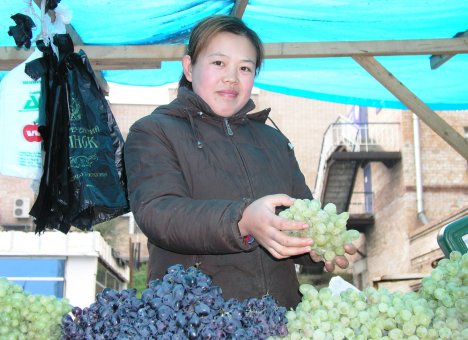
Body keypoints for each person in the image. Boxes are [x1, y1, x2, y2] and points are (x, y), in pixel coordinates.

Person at [124, 15, 355, 309]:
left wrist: (314, 248)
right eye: (218, 63)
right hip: (195, 319)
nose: (231, 77)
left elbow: (299, 218)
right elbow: (159, 213)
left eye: (245, 68)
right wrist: (242, 221)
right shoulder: (154, 131)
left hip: (277, 317)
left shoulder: (274, 142)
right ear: (189, 68)